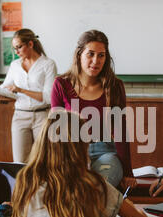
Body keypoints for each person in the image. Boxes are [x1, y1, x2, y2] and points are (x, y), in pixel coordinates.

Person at [11, 110, 150, 217]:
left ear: (42, 144)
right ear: (81, 147)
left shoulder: (26, 181)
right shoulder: (93, 184)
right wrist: (135, 210)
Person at [51, 30, 132, 188]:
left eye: (101, 55)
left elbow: (120, 131)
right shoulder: (61, 84)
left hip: (106, 153)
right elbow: (57, 131)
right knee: (71, 188)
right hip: (73, 153)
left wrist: (128, 172)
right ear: (79, 54)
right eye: (91, 54)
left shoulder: (115, 86)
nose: (96, 61)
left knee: (99, 188)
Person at [0, 29, 57, 163]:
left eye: (19, 47)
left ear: (30, 44)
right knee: (20, 163)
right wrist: (0, 91)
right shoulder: (14, 65)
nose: (16, 52)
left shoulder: (48, 64)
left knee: (44, 161)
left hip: (42, 116)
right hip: (20, 116)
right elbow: (5, 86)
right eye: (14, 48)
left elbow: (48, 97)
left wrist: (20, 90)